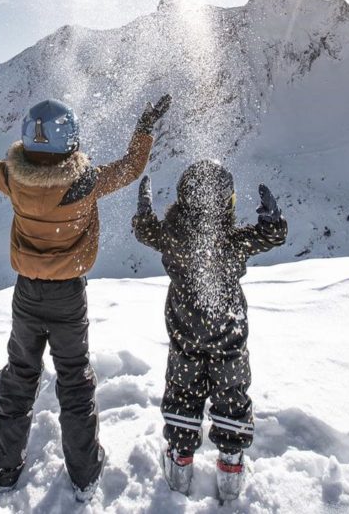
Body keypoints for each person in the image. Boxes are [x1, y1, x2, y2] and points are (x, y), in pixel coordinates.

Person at [0, 95, 171, 502]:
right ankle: (84, 473)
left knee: (20, 378)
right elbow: (130, 167)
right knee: (74, 381)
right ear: (69, 141)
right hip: (68, 296)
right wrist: (144, 127)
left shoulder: (14, 178)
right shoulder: (85, 182)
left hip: (27, 294)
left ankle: (4, 471)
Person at [132, 160, 287, 501]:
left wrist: (144, 211)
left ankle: (180, 462)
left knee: (183, 393)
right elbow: (270, 237)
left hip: (185, 337)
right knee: (231, 392)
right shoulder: (232, 240)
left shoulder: (172, 236)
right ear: (227, 203)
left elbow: (145, 232)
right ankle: (230, 464)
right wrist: (272, 220)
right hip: (228, 337)